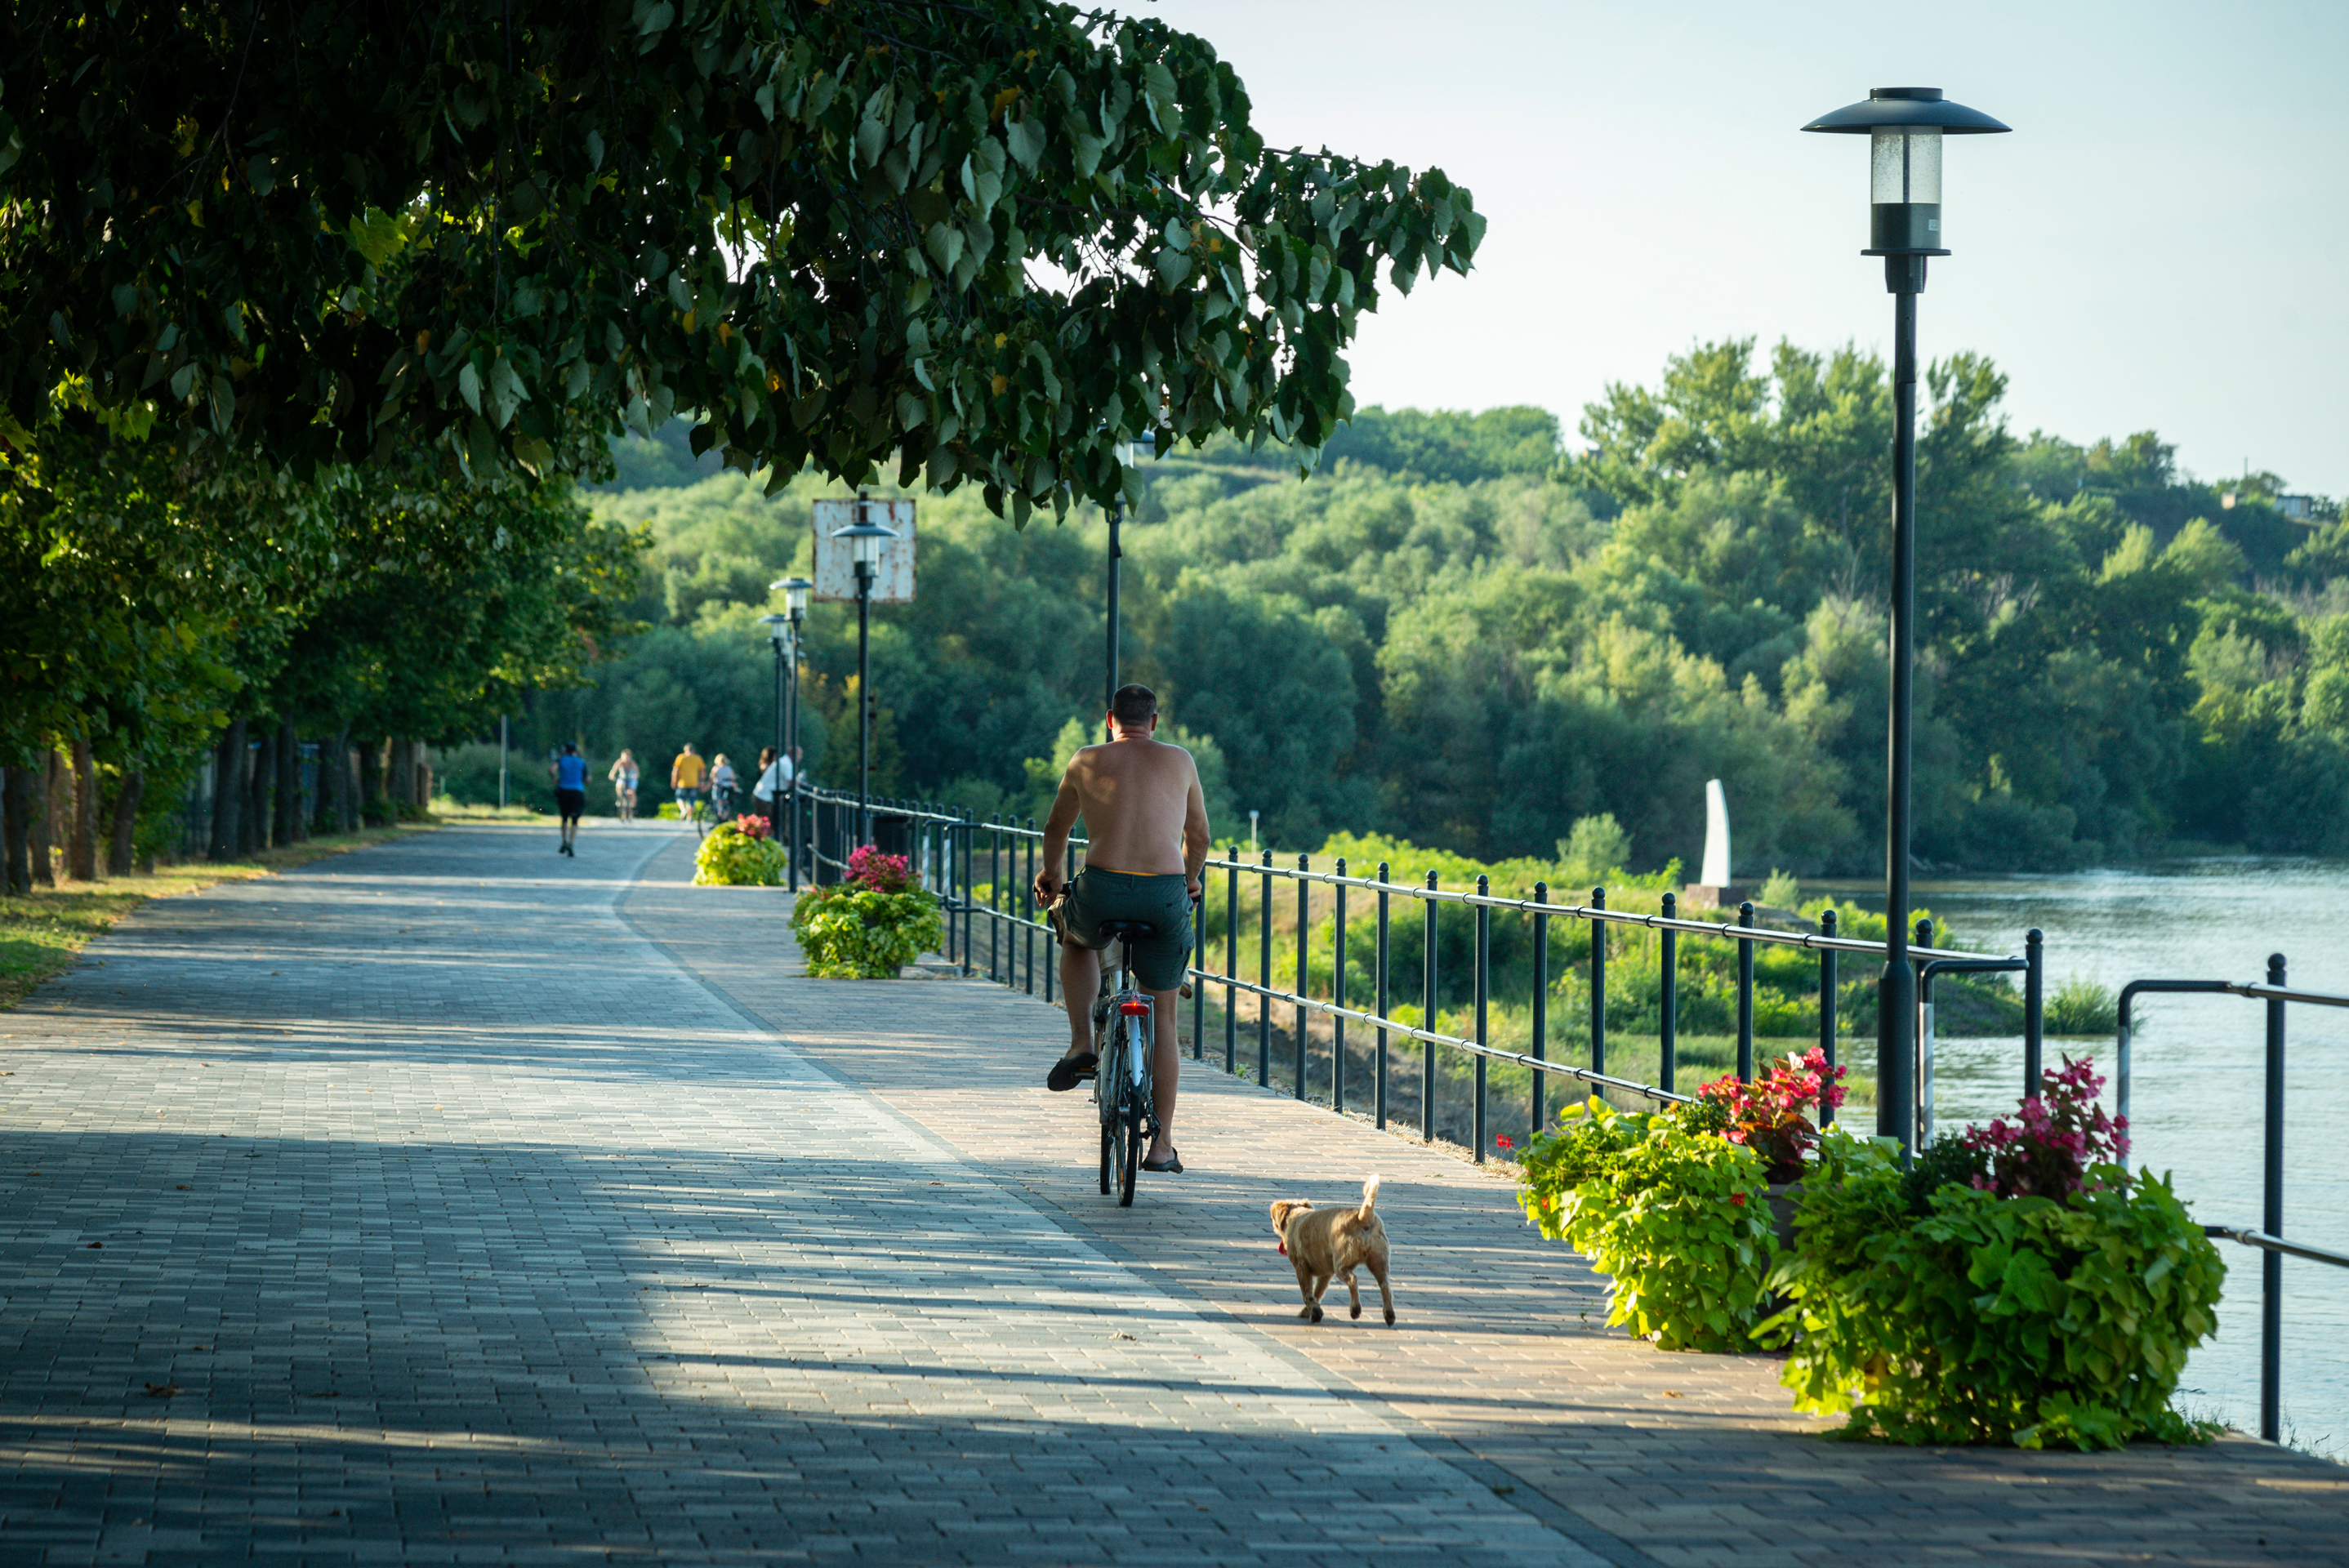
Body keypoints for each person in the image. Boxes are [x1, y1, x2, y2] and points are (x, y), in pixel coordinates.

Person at [1033, 684, 1211, 1174]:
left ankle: (1081, 1045)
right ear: (1153, 722)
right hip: (1165, 894)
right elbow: (1198, 836)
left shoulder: (1086, 759)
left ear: (1110, 719)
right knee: (1166, 1022)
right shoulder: (1180, 760)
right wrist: (1191, 880)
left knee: (1075, 938)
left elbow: (1056, 830)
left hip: (1103, 887)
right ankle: (1162, 1147)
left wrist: (1050, 875)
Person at [550, 742, 589, 856]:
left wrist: (555, 778)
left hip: (564, 791)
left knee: (564, 818)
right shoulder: (582, 762)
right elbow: (588, 779)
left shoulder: (561, 760)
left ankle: (564, 841)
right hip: (577, 791)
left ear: (565, 750)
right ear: (576, 751)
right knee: (575, 820)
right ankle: (571, 843)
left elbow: (551, 770)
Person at [751, 745, 793, 823]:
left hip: (765, 796)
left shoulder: (776, 765)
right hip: (764, 797)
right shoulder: (767, 766)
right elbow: (791, 781)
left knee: (766, 823)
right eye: (774, 756)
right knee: (766, 823)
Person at [670, 743, 706, 825]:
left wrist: (674, 781)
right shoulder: (697, 758)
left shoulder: (681, 757)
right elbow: (702, 771)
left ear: (685, 750)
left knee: (679, 797)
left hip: (683, 783)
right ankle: (689, 818)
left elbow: (676, 770)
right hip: (694, 783)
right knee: (691, 801)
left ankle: (683, 809)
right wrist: (702, 782)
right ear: (694, 750)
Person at [608, 749, 640, 822]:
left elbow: (637, 771)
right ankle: (619, 797)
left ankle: (633, 808)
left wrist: (636, 776)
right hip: (622, 778)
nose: (626, 759)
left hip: (631, 779)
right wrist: (612, 776)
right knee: (619, 785)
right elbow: (614, 770)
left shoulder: (632, 763)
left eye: (627, 757)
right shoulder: (620, 762)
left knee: (632, 792)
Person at [709, 753, 738, 822]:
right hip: (728, 787)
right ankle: (724, 816)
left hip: (718, 786)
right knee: (727, 803)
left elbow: (711, 778)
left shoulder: (716, 768)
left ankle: (719, 814)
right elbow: (733, 778)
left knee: (718, 801)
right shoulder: (729, 768)